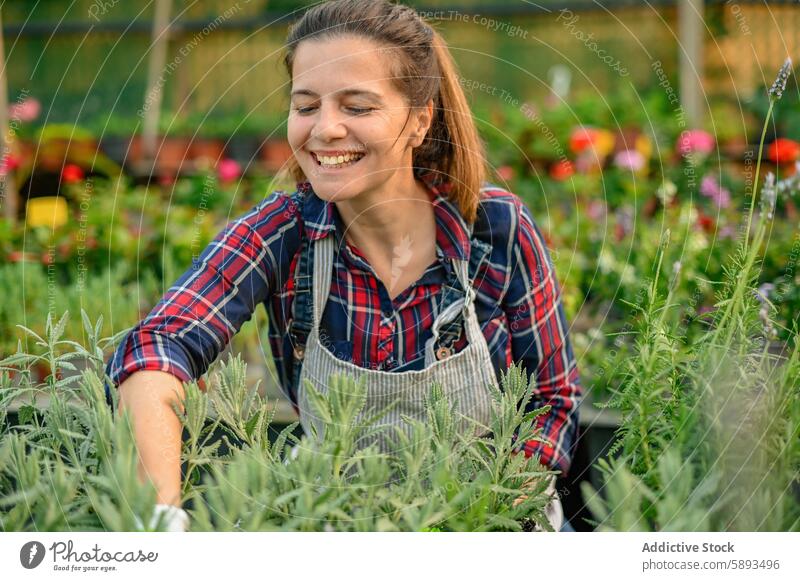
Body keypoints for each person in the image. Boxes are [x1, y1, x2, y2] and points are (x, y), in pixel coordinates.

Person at [105, 0, 583, 532]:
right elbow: (158, 346)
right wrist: (159, 519)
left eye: (357, 107)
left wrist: (489, 515)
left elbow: (552, 401)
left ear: (420, 120)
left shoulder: (495, 229)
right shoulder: (284, 234)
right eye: (306, 106)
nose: (326, 129)